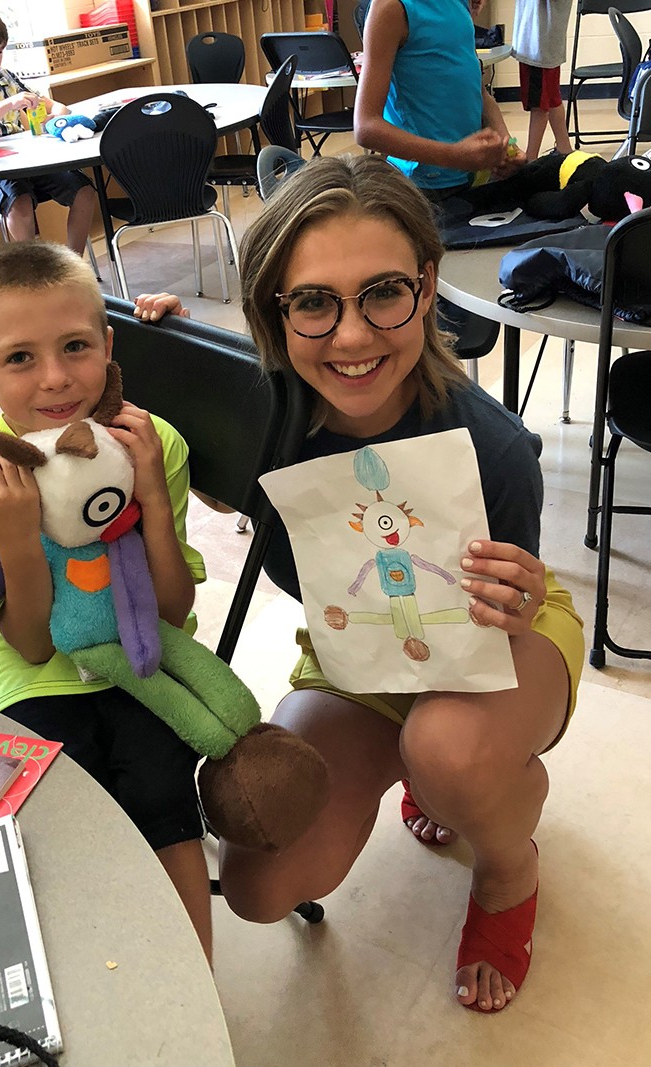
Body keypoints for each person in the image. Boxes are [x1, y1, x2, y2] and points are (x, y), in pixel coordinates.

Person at [214, 154, 584, 1012]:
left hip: (494, 637)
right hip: (362, 650)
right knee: (261, 885)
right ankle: (438, 769)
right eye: (313, 301)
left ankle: (506, 866)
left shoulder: (493, 447)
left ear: (426, 285)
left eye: (382, 291)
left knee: (451, 750)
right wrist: (159, 343)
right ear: (274, 310)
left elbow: (501, 620)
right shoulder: (260, 415)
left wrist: (518, 597)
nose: (351, 336)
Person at [0, 241, 212, 959]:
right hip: (33, 675)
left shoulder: (154, 444)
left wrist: (148, 490)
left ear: (108, 344)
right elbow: (29, 644)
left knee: (160, 795)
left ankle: (193, 988)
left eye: (76, 346)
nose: (57, 378)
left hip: (143, 656)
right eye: (19, 358)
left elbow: (172, 611)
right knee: (60, 810)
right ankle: (92, 967)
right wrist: (19, 542)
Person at [0, 6, 96, 254]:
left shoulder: (7, 78)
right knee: (20, 202)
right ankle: (32, 280)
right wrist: (9, 104)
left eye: (0, 52)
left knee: (84, 191)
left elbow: (58, 107)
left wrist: (57, 115)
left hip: (26, 164)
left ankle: (73, 267)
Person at [354, 0, 526, 198]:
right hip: (424, 189)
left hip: (472, 177)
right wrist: (454, 156)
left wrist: (506, 146)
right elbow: (366, 128)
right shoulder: (391, 7)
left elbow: (480, 93)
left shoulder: (460, 4)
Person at [513, 0, 575, 161]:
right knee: (552, 99)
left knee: (539, 105)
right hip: (538, 42)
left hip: (539, 44)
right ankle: (564, 150)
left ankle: (530, 160)